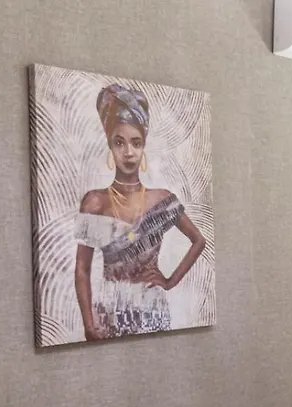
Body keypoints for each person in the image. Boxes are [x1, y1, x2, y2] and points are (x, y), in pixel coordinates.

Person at [74, 83, 207, 341]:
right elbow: (82, 270)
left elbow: (198, 241)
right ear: (110, 146)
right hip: (109, 311)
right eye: (119, 143)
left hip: (152, 311)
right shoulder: (94, 202)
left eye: (136, 143)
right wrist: (89, 324)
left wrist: (169, 281)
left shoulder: (163, 200)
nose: (128, 152)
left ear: (144, 146)